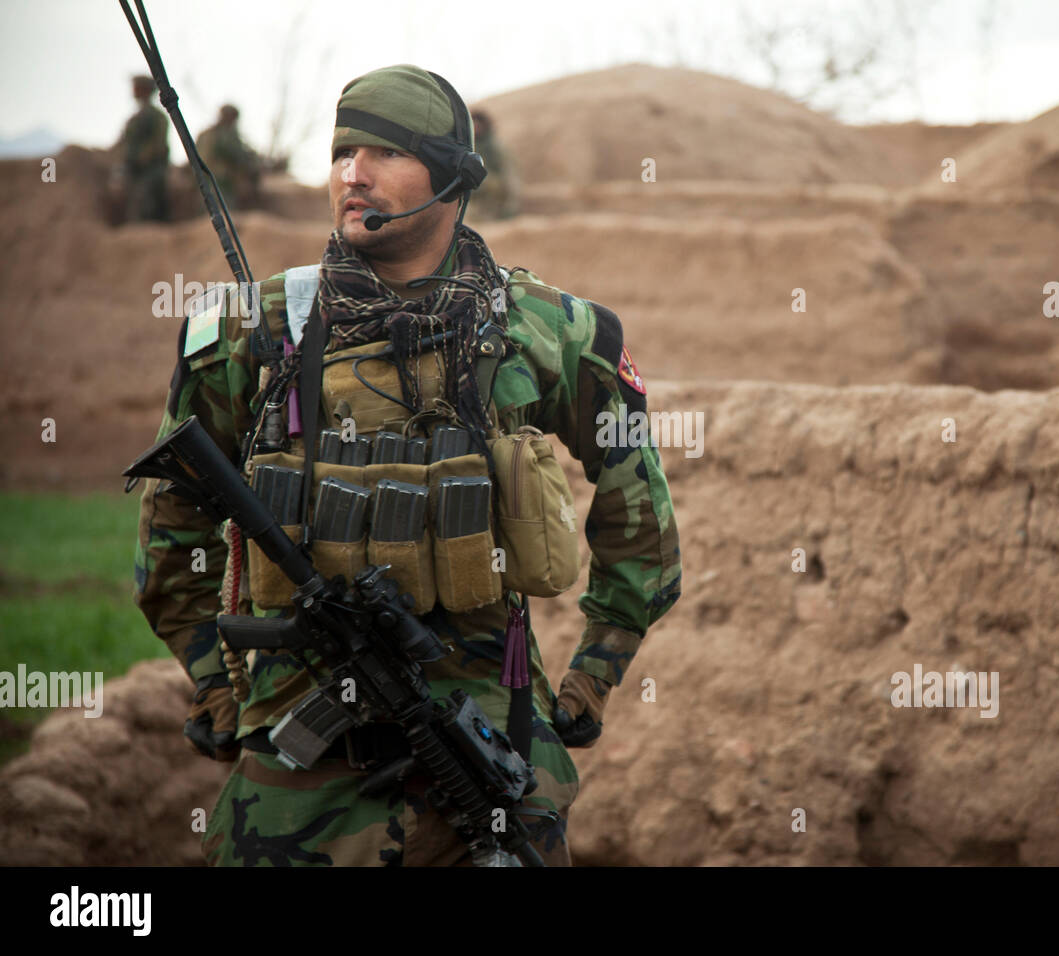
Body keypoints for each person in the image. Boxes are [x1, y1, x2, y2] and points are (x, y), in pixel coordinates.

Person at [132, 64, 681, 866]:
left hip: (482, 759)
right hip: (294, 782)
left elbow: (642, 517)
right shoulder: (254, 334)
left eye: (384, 152)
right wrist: (218, 685)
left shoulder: (549, 332)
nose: (351, 175)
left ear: (452, 174)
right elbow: (170, 526)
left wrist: (594, 674)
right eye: (341, 152)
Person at [120, 74, 169, 222]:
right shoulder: (134, 118)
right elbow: (124, 142)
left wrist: (140, 158)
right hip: (135, 170)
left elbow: (158, 144)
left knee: (144, 203)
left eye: (137, 87)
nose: (133, 90)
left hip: (151, 170)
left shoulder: (157, 116)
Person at [196, 104, 261, 210]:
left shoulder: (211, 134)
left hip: (208, 180)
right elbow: (237, 157)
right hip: (218, 181)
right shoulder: (224, 136)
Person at [469, 109, 520, 220]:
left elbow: (509, 175)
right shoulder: (468, 146)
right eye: (473, 124)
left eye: (478, 124)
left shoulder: (495, 147)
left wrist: (511, 204)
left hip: (494, 192)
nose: (476, 127)